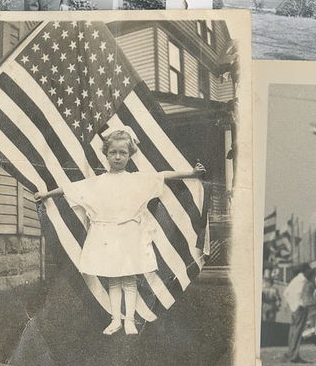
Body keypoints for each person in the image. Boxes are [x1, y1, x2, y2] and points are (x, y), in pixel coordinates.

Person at [32, 127, 206, 335]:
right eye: (113, 152)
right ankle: (116, 319)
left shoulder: (136, 179)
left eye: (122, 153)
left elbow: (163, 176)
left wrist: (192, 173)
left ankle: (130, 320)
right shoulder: (96, 183)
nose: (117, 157)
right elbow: (70, 189)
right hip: (105, 235)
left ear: (129, 155)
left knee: (129, 278)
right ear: (106, 154)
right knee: (114, 278)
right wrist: (46, 194)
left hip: (130, 234)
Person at [284, 264, 315, 363]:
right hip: (299, 308)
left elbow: (286, 292)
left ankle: (291, 353)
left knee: (293, 332)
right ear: (305, 271)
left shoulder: (297, 279)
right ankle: (293, 355)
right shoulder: (302, 280)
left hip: (295, 308)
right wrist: (298, 304)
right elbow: (298, 294)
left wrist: (292, 305)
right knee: (297, 333)